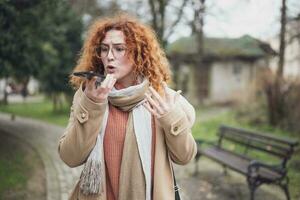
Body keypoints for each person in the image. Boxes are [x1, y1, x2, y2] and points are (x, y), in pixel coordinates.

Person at [58, 13, 197, 200]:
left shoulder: (160, 99)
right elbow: (70, 157)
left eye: (119, 49)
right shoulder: (89, 95)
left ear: (138, 53)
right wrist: (93, 105)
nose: (109, 56)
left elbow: (185, 157)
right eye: (104, 49)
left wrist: (170, 118)